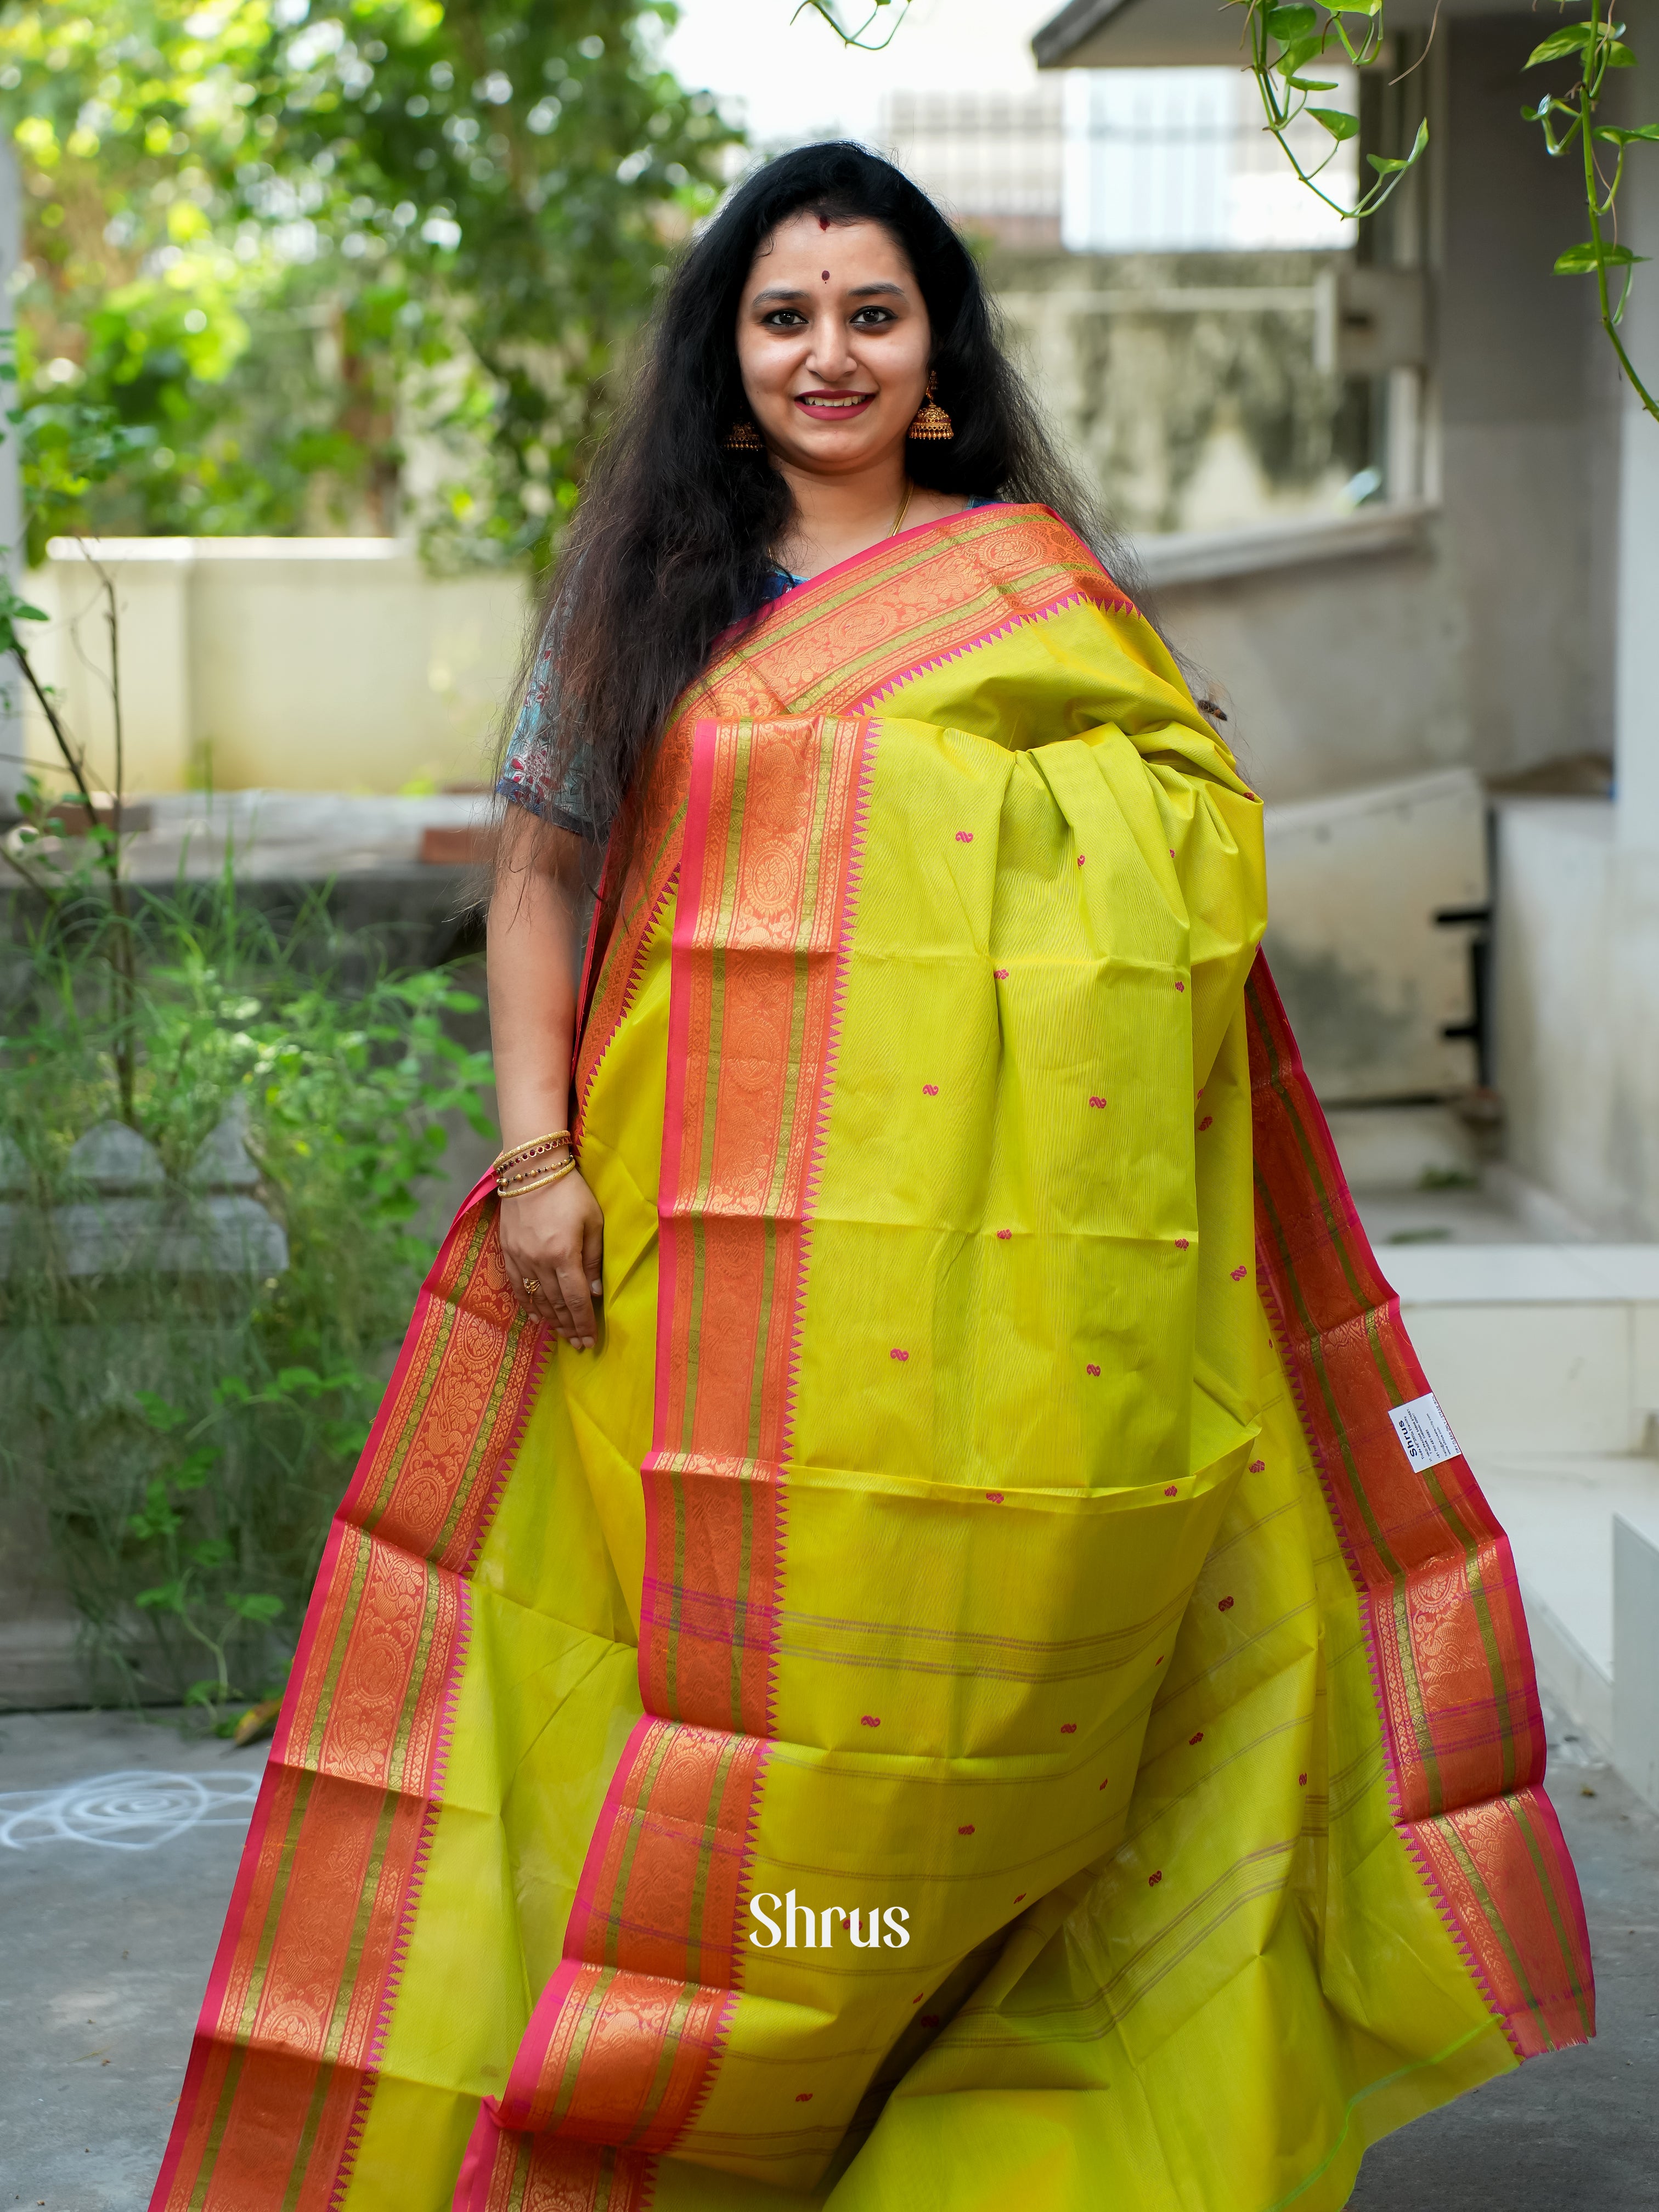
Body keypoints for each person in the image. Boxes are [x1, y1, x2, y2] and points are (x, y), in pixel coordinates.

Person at [151, 144, 1591, 2212]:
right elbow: (544, 881)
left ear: (936, 361)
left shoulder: (1036, 587)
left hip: (1002, 1288)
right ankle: (706, 2074)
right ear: (731, 363)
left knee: (988, 1683)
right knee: (710, 1681)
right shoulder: (651, 594)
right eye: (785, 316)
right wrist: (539, 1158)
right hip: (699, 1263)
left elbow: (1193, 845)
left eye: (874, 313)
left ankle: (951, 2055)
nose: (829, 352)